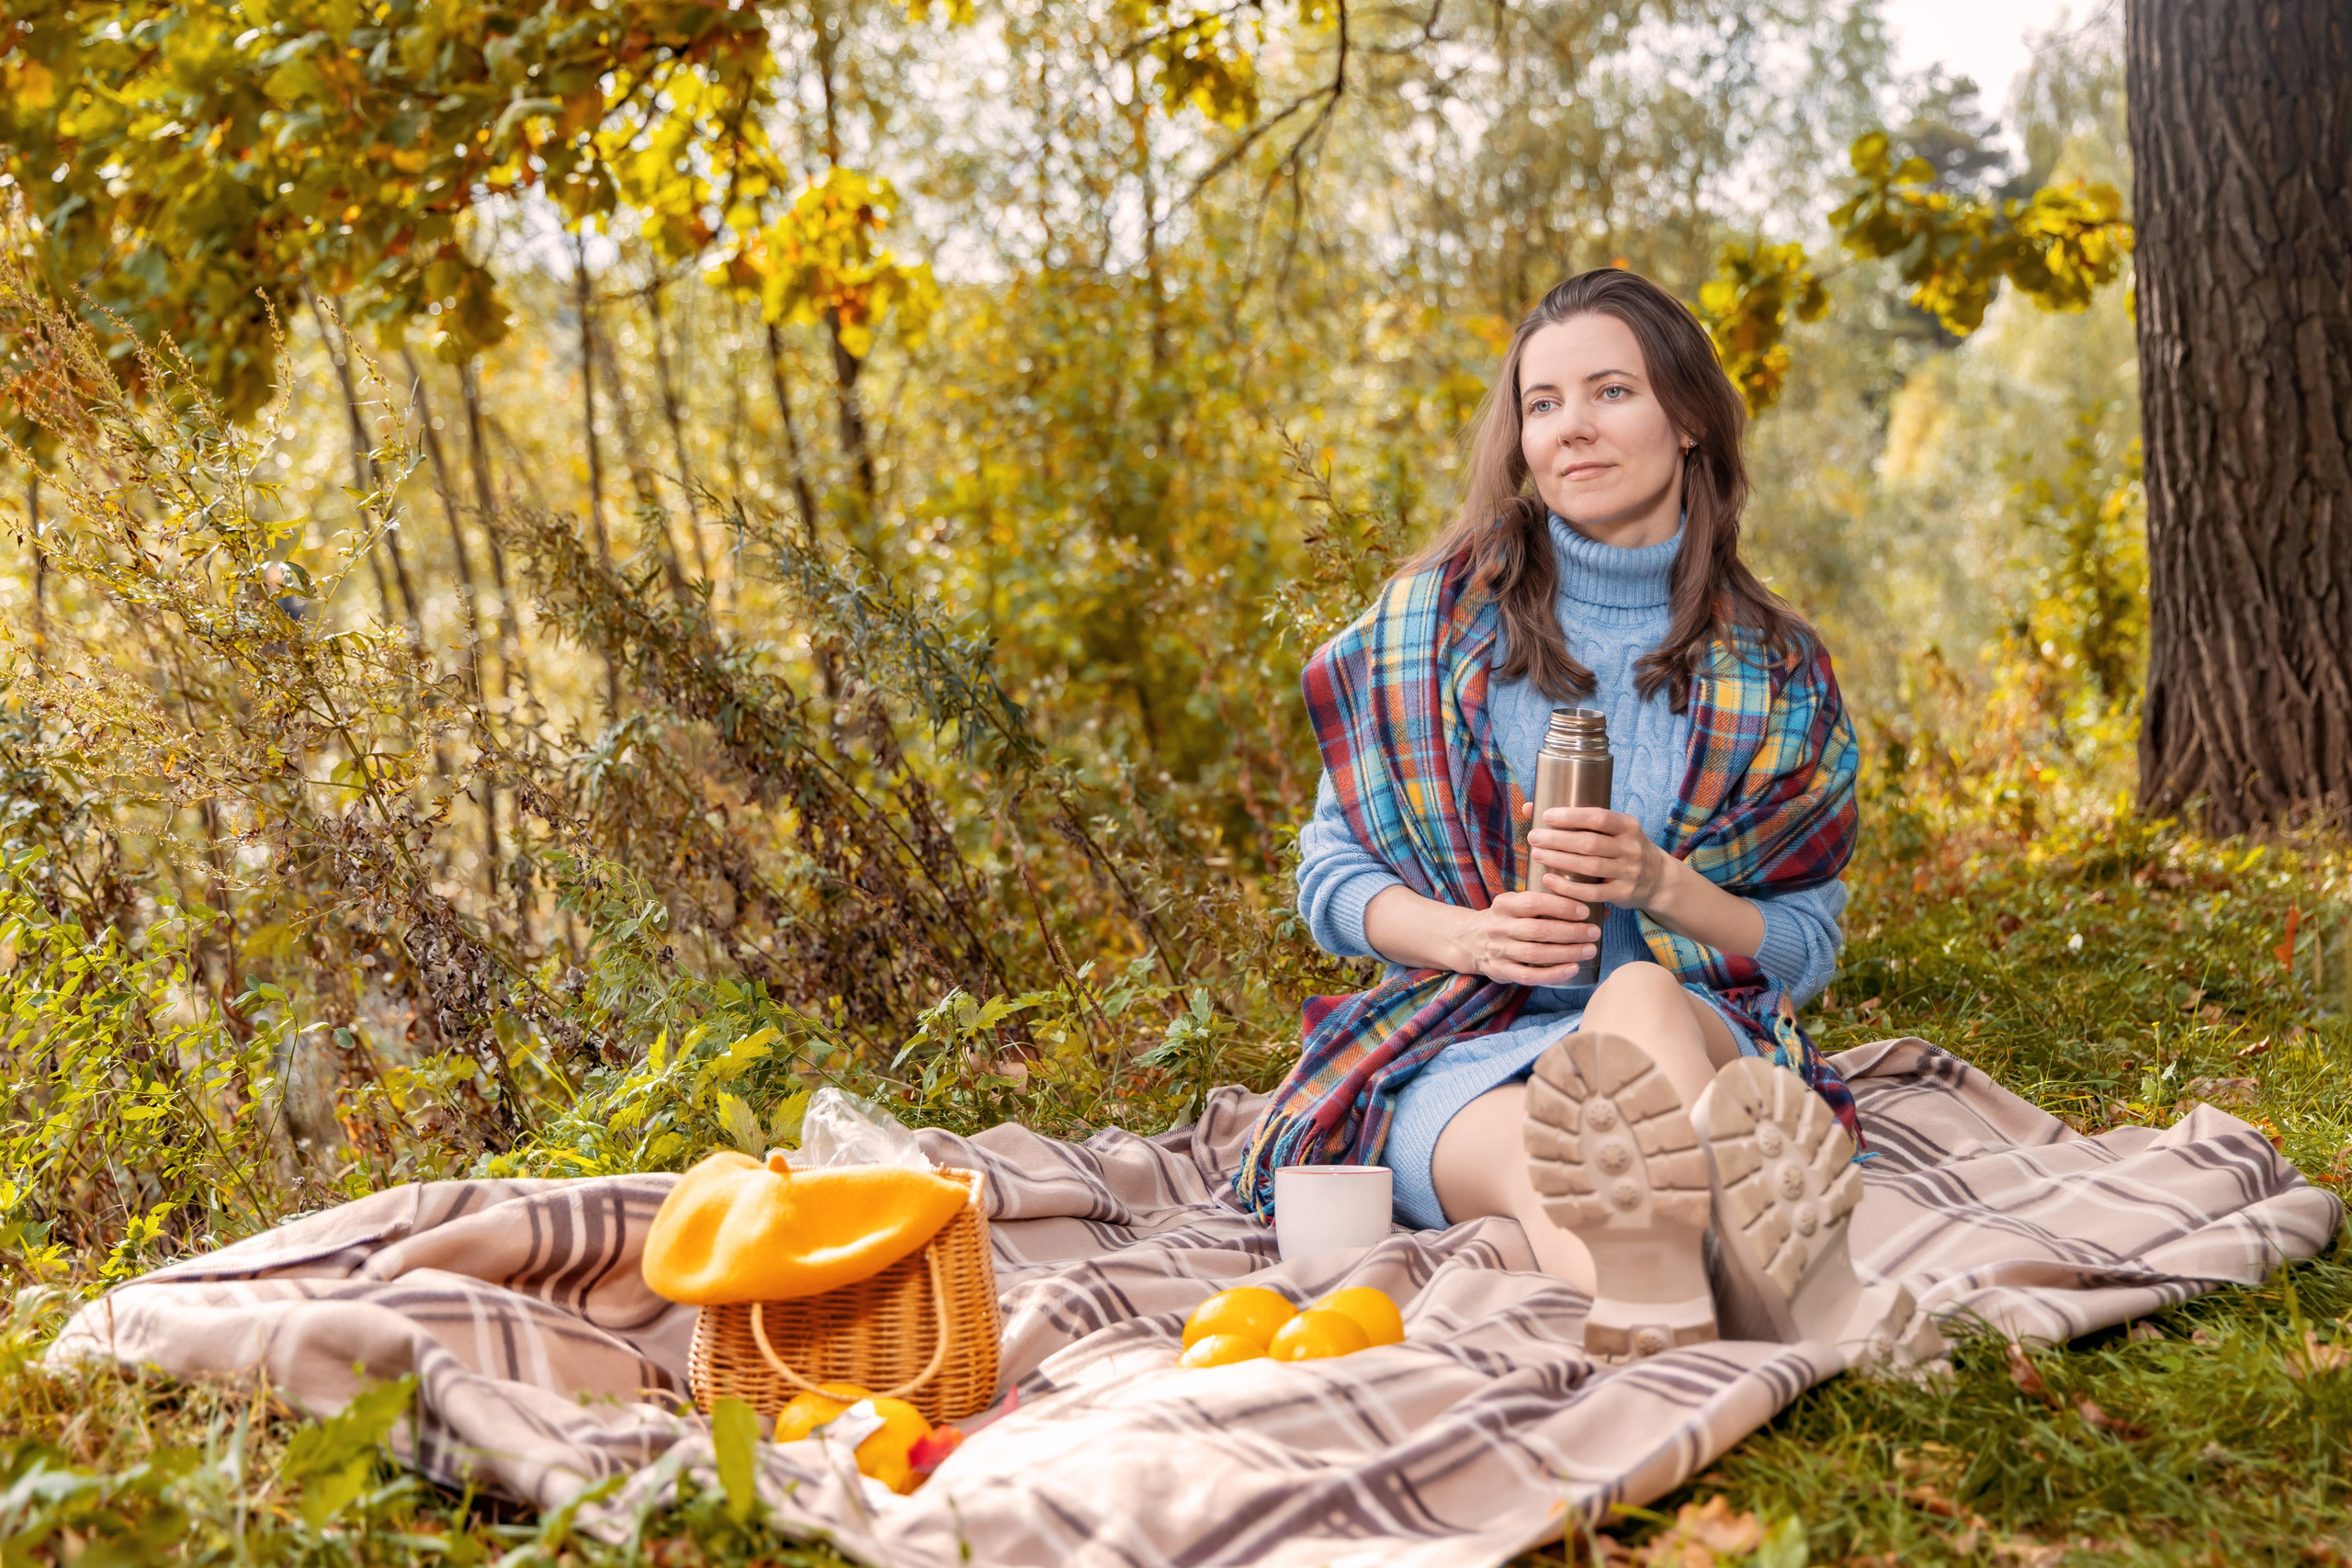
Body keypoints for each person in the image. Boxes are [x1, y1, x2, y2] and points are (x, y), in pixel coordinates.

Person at [1236, 267, 1887, 1360]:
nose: (1571, 429)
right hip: (1459, 1037)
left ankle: (1683, 1289)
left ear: (1685, 420)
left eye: (1609, 393)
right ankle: (1717, 1284)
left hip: (1689, 1024)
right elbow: (1330, 875)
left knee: (1632, 991)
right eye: (1542, 405)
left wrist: (1664, 888)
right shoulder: (1433, 626)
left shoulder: (1776, 670)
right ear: (1520, 436)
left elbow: (1805, 948)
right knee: (1549, 1158)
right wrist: (1468, 935)